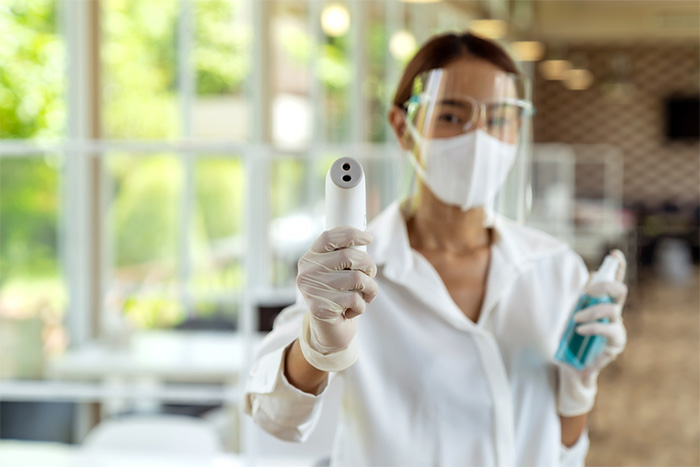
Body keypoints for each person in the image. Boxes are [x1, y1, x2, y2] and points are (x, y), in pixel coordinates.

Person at [244, 32, 628, 467]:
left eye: (500, 118)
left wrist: (579, 384)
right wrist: (318, 344)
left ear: (518, 129)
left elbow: (562, 449)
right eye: (451, 116)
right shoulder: (351, 271)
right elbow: (273, 417)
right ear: (402, 126)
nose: (479, 138)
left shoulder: (556, 269)